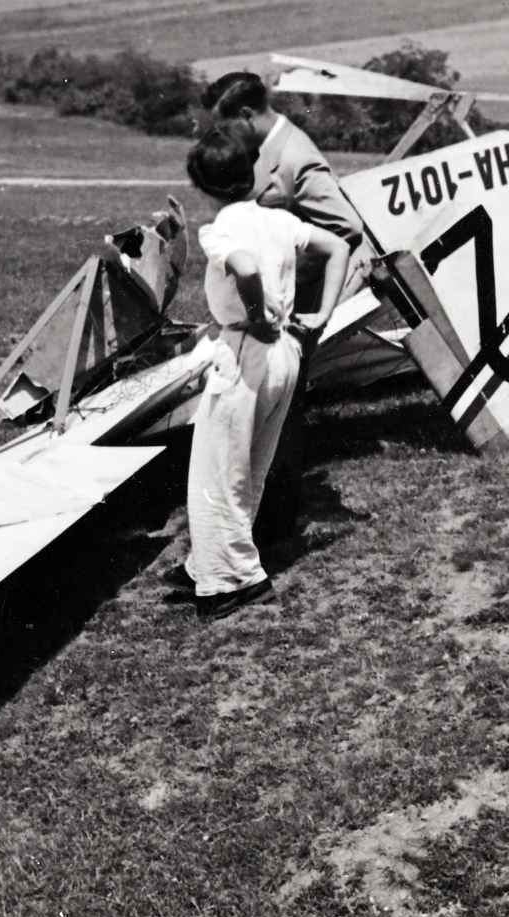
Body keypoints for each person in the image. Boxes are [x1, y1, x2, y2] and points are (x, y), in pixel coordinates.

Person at [177, 125, 350, 620]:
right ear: (253, 171)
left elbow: (246, 269)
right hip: (285, 358)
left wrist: (255, 315)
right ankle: (208, 564)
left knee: (217, 470)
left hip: (246, 352)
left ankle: (235, 581)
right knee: (250, 464)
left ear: (205, 188)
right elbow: (338, 247)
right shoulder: (277, 220)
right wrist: (321, 315)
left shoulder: (221, 228)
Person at [201, 71, 371, 541]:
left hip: (285, 314)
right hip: (259, 315)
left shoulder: (295, 157)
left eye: (227, 125)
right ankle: (253, 519)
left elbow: (346, 229)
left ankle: (273, 522)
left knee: (281, 413)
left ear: (246, 115)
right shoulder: (264, 150)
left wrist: (284, 265)